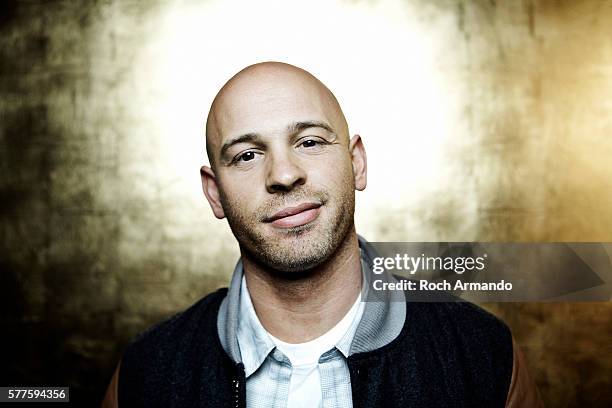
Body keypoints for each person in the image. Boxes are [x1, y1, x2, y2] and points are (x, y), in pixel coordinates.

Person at [102, 62, 542, 407]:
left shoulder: (482, 355)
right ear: (214, 194)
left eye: (309, 142)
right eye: (248, 155)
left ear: (357, 164)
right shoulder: (147, 373)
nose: (284, 174)